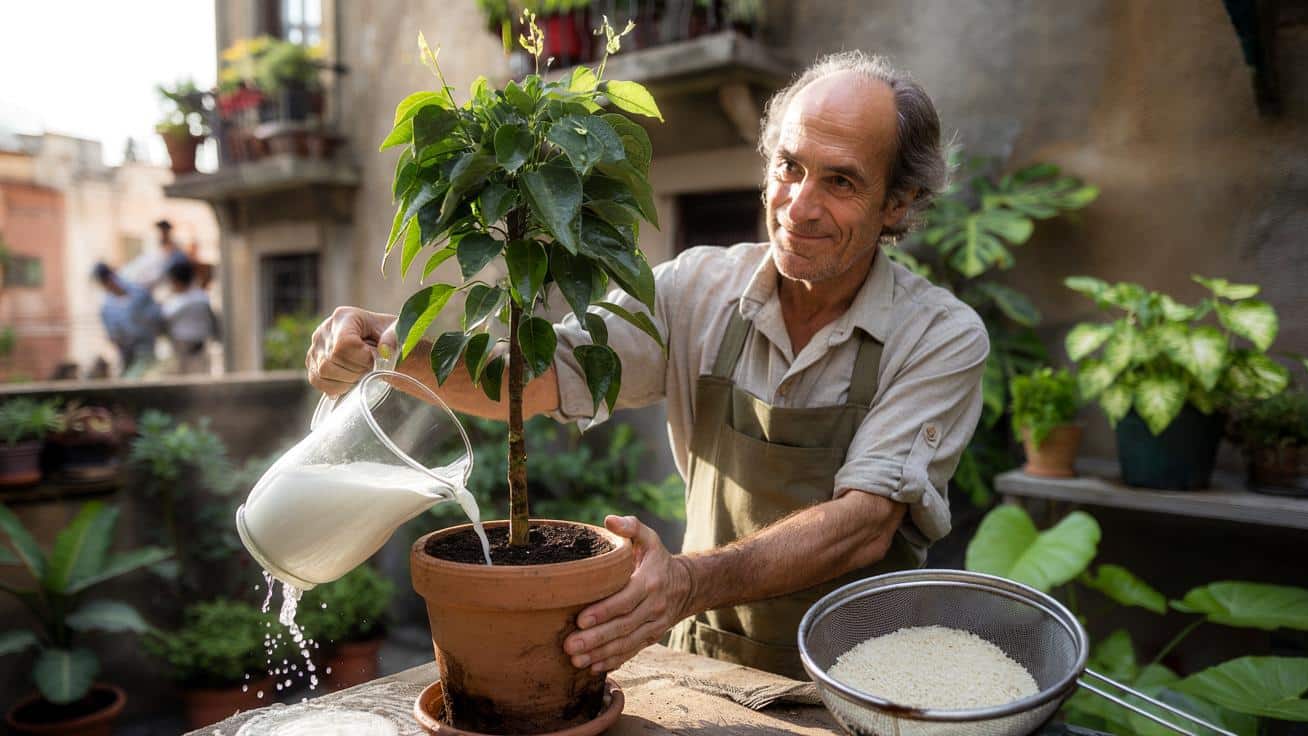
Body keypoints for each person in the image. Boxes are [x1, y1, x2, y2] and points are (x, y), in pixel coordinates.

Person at [305, 51, 988, 679]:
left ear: (897, 204)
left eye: (840, 181)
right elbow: (546, 375)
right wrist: (391, 349)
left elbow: (863, 525)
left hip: (861, 682)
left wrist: (685, 581)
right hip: (710, 669)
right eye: (789, 166)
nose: (800, 205)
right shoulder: (697, 290)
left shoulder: (939, 336)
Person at [93, 262, 161, 376]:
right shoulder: (107, 306)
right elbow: (112, 334)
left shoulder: (139, 293)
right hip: (126, 353)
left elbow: (155, 318)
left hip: (145, 349)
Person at [160, 259, 216, 375]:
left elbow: (162, 322)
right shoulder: (202, 298)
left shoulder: (175, 303)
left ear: (176, 281)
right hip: (198, 347)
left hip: (183, 348)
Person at [120, 219, 191, 290]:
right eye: (161, 230)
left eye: (164, 230)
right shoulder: (152, 246)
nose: (162, 233)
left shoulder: (176, 249)